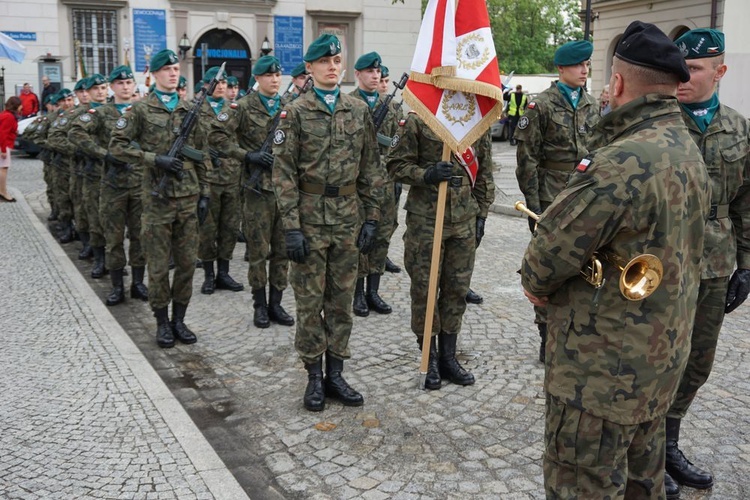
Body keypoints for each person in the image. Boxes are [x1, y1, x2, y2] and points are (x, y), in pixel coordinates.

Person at [521, 21, 711, 498]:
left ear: (620, 83)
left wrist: (539, 287)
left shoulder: (620, 162)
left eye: (607, 78)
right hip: (658, 365)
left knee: (583, 484)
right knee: (641, 485)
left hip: (599, 375)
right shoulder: (687, 148)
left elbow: (542, 265)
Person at [659, 28, 750, 498]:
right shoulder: (657, 120)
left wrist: (747, 263)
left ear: (720, 71)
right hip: (660, 261)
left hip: (715, 260)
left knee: (698, 360)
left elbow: (747, 201)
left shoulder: (739, 128)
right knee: (656, 358)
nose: (683, 76)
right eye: (679, 66)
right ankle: (647, 452)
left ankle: (669, 440)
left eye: (694, 69)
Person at [272, 34, 385, 411]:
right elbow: (283, 173)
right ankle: (314, 378)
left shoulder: (358, 110)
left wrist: (372, 218)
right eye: (324, 62)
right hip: (308, 219)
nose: (332, 67)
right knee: (308, 302)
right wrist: (290, 226)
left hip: (347, 219)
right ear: (311, 68)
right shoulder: (295, 111)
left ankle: (336, 373)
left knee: (341, 302)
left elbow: (371, 167)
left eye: (337, 61)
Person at [109, 49, 211, 349]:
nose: (173, 73)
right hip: (157, 201)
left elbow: (202, 155)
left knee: (186, 264)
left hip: (188, 198)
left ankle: (180, 319)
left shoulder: (190, 108)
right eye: (166, 68)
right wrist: (155, 159)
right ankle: (162, 322)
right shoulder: (140, 111)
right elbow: (117, 146)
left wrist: (205, 193)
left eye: (176, 68)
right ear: (154, 74)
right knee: (156, 266)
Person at [386, 114, 495, 390]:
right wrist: (426, 174)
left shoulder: (477, 121)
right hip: (426, 218)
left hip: (464, 219)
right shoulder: (419, 119)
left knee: (457, 289)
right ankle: (429, 358)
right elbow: (395, 165)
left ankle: (448, 357)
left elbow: (484, 173)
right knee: (425, 289)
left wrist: (481, 214)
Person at [514, 39, 600, 363]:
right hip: (550, 198)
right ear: (561, 68)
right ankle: (545, 333)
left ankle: (576, 333)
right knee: (547, 267)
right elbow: (527, 159)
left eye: (587, 64)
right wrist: (534, 207)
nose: (584, 70)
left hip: (585, 196)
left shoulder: (592, 104)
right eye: (578, 65)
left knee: (583, 267)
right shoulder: (542, 106)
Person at [209, 56, 294, 327]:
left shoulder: (289, 107)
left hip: (284, 191)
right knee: (258, 252)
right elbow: (216, 136)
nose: (275, 80)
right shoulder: (242, 107)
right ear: (257, 78)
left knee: (282, 252)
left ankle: (276, 304)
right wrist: (247, 156)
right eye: (268, 75)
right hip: (256, 191)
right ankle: (259, 305)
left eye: (278, 75)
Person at [349, 51, 399, 318]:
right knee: (360, 238)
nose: (375, 75)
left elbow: (397, 142)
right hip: (359, 185)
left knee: (381, 237)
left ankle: (373, 291)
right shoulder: (349, 105)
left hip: (386, 182)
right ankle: (357, 293)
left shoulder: (390, 106)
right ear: (358, 74)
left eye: (377, 71)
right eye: (369, 71)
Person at [195, 66, 244, 296]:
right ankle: (208, 275)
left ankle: (224, 272)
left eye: (224, 82)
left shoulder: (234, 108)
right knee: (208, 228)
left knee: (230, 227)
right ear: (206, 85)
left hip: (232, 175)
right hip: (208, 178)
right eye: (216, 82)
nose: (222, 86)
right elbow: (190, 142)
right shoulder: (195, 110)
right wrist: (206, 153)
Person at [0, 96, 23, 202]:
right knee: (3, 168)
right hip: (4, 145)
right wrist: (3, 150)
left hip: (4, 144)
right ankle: (3, 192)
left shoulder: (5, 114)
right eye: (20, 104)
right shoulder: (9, 117)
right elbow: (3, 133)